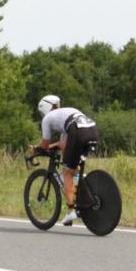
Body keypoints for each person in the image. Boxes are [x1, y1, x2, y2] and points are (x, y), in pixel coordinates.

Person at [35, 95, 99, 226]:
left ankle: (71, 211)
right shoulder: (67, 114)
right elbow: (64, 144)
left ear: (45, 108)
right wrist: (53, 146)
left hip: (78, 132)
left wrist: (36, 150)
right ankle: (82, 187)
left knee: (67, 173)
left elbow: (44, 145)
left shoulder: (47, 119)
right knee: (73, 167)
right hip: (92, 131)